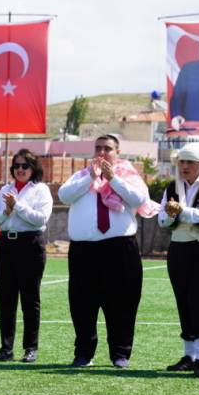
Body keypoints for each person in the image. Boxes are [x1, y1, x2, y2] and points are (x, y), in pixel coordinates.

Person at [57, 134, 159, 368]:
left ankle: (120, 353)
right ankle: (84, 353)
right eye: (98, 148)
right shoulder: (82, 174)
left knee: (122, 304)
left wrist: (113, 179)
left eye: (108, 148)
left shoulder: (129, 175)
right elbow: (64, 195)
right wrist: (91, 178)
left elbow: (139, 198)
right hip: (84, 252)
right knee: (82, 304)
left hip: (119, 250)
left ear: (118, 152)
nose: (102, 152)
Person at [158, 142, 199, 377]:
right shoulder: (171, 186)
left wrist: (182, 211)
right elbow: (162, 220)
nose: (184, 166)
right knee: (183, 301)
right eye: (181, 162)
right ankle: (188, 355)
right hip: (178, 249)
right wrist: (169, 214)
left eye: (189, 162)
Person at [0, 149, 52, 363]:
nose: (20, 170)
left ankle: (30, 348)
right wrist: (5, 213)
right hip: (6, 245)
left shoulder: (41, 190)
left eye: (25, 166)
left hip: (30, 244)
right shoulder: (5, 189)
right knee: (6, 300)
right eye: (16, 166)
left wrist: (17, 206)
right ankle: (6, 348)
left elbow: (40, 219)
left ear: (33, 168)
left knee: (30, 300)